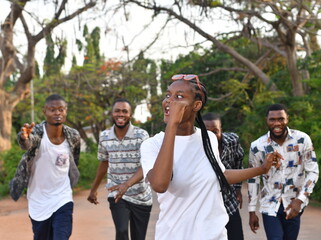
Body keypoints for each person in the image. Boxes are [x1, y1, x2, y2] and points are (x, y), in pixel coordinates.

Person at [140, 74, 281, 240]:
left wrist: (262, 169)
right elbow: (159, 185)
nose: (168, 101)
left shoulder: (209, 138)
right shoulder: (152, 145)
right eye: (167, 95)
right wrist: (172, 125)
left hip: (214, 235)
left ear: (196, 105)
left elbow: (220, 175)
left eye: (178, 96)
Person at [9, 94, 81, 240]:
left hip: (63, 197)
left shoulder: (73, 135)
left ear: (66, 111)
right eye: (52, 110)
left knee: (61, 236)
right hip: (39, 200)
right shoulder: (37, 133)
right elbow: (27, 143)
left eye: (61, 109)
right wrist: (24, 138)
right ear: (44, 111)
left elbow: (75, 159)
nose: (57, 113)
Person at [248, 103, 319, 240]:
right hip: (269, 204)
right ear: (266, 120)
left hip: (293, 204)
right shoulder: (257, 146)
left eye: (281, 119)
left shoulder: (302, 139)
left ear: (288, 119)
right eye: (272, 119)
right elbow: (253, 179)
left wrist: (300, 200)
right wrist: (252, 211)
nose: (277, 123)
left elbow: (313, 172)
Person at [87, 98, 152, 240]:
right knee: (121, 231)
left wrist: (127, 184)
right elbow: (104, 163)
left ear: (130, 115)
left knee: (138, 237)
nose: (120, 114)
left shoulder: (141, 135)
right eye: (117, 111)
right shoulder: (104, 136)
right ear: (112, 113)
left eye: (124, 111)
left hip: (141, 196)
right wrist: (93, 189)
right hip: (116, 194)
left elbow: (146, 165)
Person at [203, 112, 245, 240]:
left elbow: (238, 161)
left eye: (215, 131)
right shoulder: (196, 147)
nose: (212, 136)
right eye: (207, 132)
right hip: (206, 207)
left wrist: (237, 188)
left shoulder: (232, 141)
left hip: (228, 203)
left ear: (221, 130)